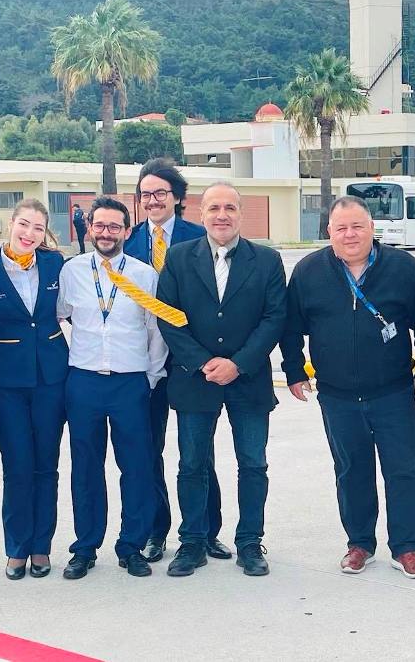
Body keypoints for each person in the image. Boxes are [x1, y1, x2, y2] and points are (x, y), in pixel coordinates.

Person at [281, 196, 415, 578]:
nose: (350, 235)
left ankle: (407, 548)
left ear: (372, 229)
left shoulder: (404, 268)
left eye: (357, 226)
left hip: (393, 392)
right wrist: (294, 370)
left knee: (403, 471)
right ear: (329, 231)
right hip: (337, 396)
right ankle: (360, 544)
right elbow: (290, 326)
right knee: (351, 471)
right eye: (341, 228)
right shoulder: (309, 271)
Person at [155, 181, 286, 577]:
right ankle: (192, 543)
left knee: (253, 464)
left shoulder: (267, 260)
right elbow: (168, 317)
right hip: (196, 380)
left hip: (249, 380)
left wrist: (238, 364)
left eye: (230, 207)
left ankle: (250, 543)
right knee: (192, 465)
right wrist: (203, 362)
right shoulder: (179, 258)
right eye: (214, 208)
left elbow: (274, 318)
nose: (222, 215)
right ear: (201, 214)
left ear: (240, 213)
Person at [57, 196, 181, 580]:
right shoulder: (72, 271)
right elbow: (60, 317)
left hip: (131, 382)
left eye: (114, 226)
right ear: (89, 227)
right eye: (100, 225)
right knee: (86, 467)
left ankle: (131, 546)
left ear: (127, 231)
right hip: (84, 382)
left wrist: (151, 376)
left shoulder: (144, 275)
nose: (106, 233)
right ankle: (85, 547)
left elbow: (155, 329)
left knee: (137, 466)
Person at [124, 158, 229, 564]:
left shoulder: (201, 237)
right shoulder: (129, 241)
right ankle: (157, 531)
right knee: (149, 451)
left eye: (160, 193)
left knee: (198, 453)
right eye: (145, 194)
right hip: (144, 364)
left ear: (178, 197)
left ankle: (206, 531)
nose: (152, 200)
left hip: (192, 362)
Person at [0, 199, 68, 580]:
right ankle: (16, 547)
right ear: (11, 224)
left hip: (51, 379)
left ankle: (41, 547)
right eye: (24, 224)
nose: (29, 234)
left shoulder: (55, 264)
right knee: (17, 466)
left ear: (45, 234)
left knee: (46, 466)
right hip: (5, 383)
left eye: (38, 228)